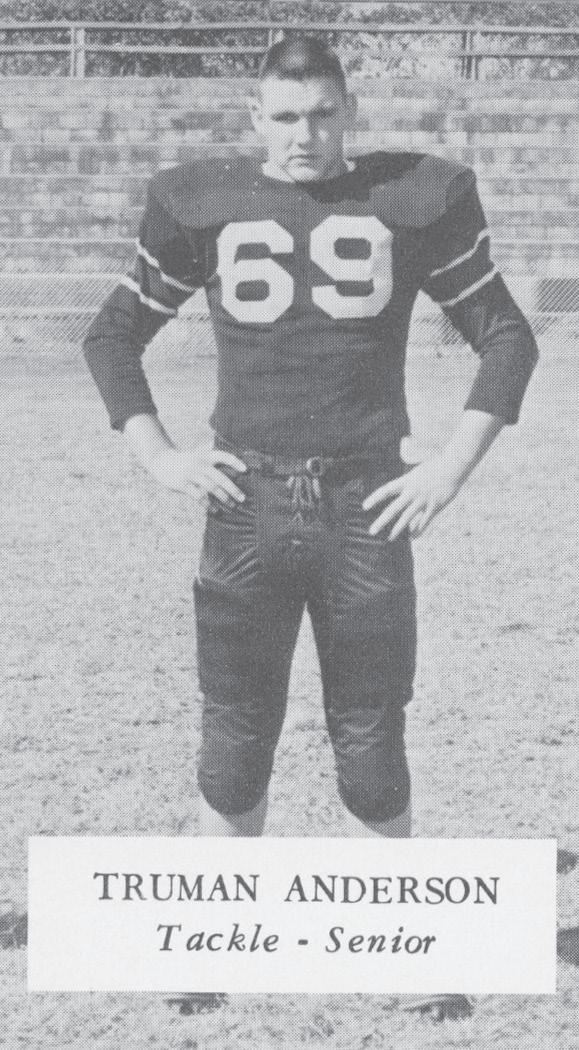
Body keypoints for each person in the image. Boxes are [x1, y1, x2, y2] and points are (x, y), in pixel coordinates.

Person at [83, 36, 538, 1020]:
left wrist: (448, 470)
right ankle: (208, 943)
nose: (304, 134)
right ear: (255, 118)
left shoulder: (413, 198)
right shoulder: (203, 201)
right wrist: (160, 455)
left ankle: (398, 950)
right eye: (285, 116)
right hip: (243, 501)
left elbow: (508, 338)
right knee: (234, 732)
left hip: (365, 503)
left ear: (348, 112)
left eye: (322, 113)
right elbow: (111, 335)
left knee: (371, 736)